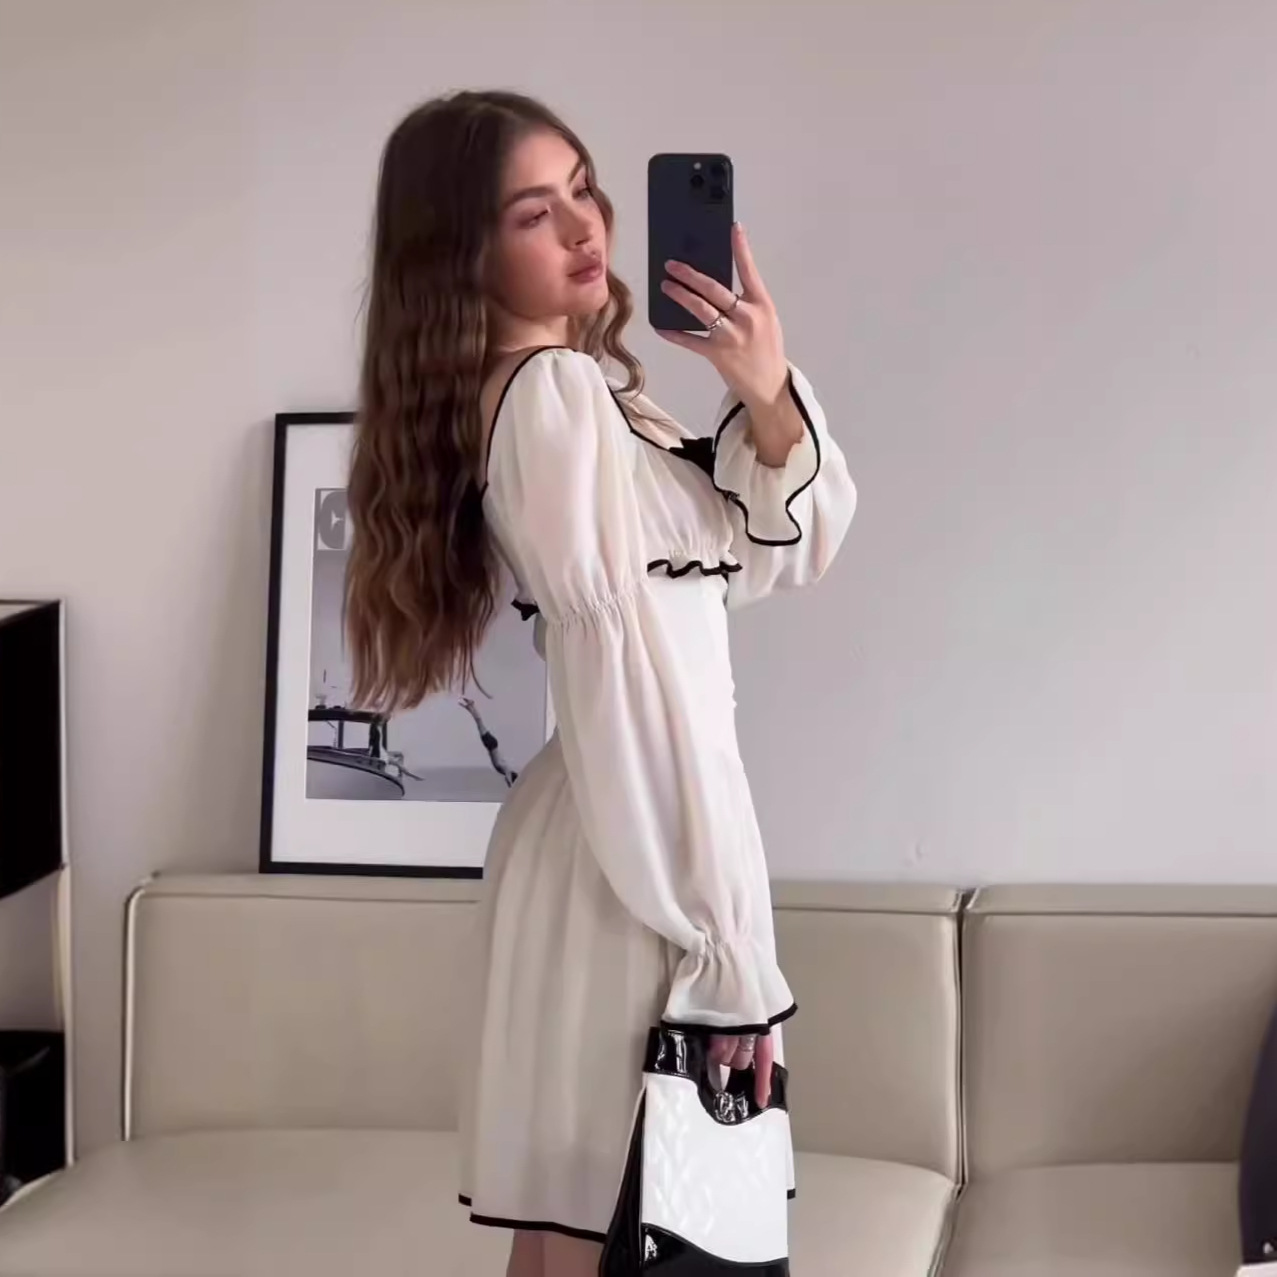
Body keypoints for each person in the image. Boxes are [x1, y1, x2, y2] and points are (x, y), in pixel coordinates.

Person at [343, 89, 857, 1277]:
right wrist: (725, 959)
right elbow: (643, 687)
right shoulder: (555, 400)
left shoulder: (576, 392)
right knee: (635, 1233)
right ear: (460, 255)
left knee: (575, 1235)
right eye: (535, 212)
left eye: (583, 190)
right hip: (635, 868)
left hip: (609, 845)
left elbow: (776, 555)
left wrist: (764, 389)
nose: (585, 228)